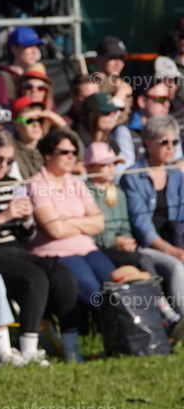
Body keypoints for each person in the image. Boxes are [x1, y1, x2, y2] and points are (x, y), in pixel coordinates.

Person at [0, 128, 80, 365]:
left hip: (14, 248)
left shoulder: (15, 184)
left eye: (9, 161)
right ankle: (29, 348)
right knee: (34, 277)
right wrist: (1, 218)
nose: (3, 165)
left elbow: (26, 236)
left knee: (61, 273)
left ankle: (71, 346)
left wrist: (27, 221)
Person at [27, 129, 115, 361]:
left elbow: (100, 223)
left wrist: (68, 222)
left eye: (74, 152)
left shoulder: (76, 182)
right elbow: (54, 230)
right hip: (57, 253)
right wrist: (80, 223)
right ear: (47, 155)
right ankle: (114, 341)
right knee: (96, 293)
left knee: (117, 287)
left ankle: (131, 336)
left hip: (88, 249)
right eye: (64, 152)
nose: (71, 157)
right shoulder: (36, 185)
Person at [84, 141, 184, 326]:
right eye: (105, 164)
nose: (111, 168)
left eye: (114, 164)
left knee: (145, 259)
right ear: (90, 167)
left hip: (126, 247)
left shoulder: (118, 192)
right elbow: (89, 232)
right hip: (98, 249)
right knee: (143, 261)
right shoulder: (84, 193)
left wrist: (126, 239)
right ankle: (164, 314)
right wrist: (114, 240)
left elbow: (125, 224)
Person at [120, 115, 184, 269]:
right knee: (177, 268)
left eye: (174, 142)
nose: (170, 147)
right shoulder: (132, 176)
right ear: (148, 141)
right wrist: (173, 251)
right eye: (164, 142)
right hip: (148, 246)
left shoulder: (176, 174)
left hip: (176, 240)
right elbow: (141, 225)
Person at [0, 26, 43, 108]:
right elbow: (0, 111)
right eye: (29, 46)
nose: (35, 51)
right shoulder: (1, 77)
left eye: (37, 46)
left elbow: (51, 107)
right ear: (14, 49)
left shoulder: (37, 74)